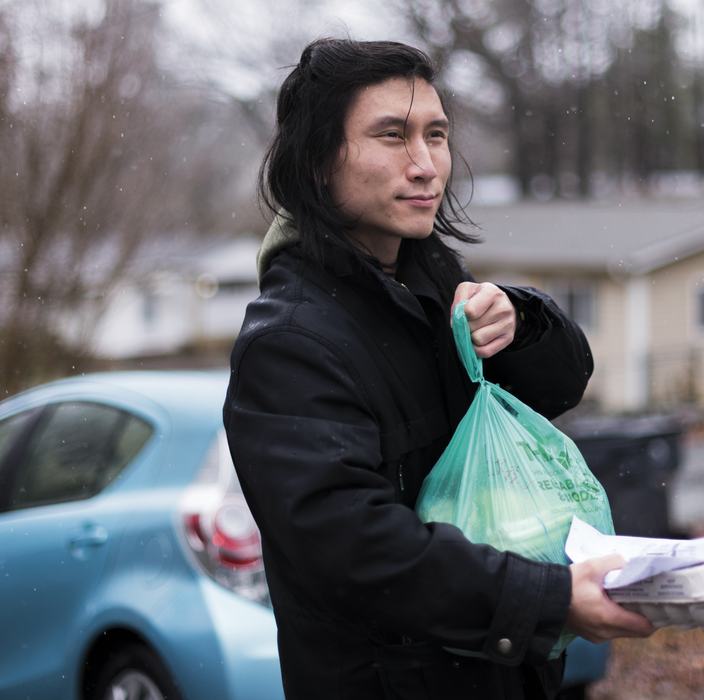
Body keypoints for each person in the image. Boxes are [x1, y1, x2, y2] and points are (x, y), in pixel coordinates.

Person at [223, 38, 653, 700]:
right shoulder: (289, 344)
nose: (425, 165)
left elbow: (563, 386)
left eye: (437, 135)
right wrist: (548, 599)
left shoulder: (436, 286)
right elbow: (356, 550)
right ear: (316, 161)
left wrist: (520, 321)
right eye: (392, 136)